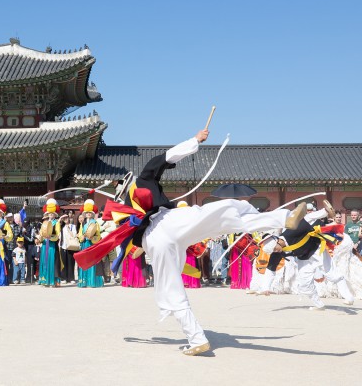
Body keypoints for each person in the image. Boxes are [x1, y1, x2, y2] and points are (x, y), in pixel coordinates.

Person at [74, 127, 307, 356]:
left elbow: (128, 239)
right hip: (170, 221)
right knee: (221, 212)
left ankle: (197, 338)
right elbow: (166, 157)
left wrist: (137, 249)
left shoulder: (120, 213)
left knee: (172, 289)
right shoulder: (144, 178)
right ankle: (283, 218)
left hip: (155, 240)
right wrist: (195, 140)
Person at [77, 200, 103, 288]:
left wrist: (93, 238)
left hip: (92, 245)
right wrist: (82, 237)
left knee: (91, 262)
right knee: (84, 262)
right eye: (87, 213)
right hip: (84, 245)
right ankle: (84, 282)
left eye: (90, 213)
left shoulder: (95, 223)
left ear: (92, 214)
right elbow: (80, 234)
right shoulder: (83, 223)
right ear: (85, 214)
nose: (88, 214)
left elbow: (98, 235)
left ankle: (92, 282)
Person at [38, 199, 63, 287]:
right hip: (45, 244)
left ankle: (53, 281)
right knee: (44, 261)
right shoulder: (44, 223)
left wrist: (51, 238)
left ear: (55, 214)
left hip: (52, 245)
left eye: (52, 214)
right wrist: (40, 238)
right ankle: (45, 280)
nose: (50, 215)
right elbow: (41, 233)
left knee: (52, 261)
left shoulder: (56, 223)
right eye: (49, 213)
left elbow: (58, 234)